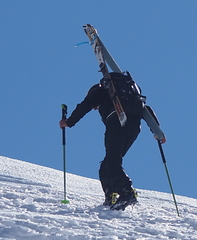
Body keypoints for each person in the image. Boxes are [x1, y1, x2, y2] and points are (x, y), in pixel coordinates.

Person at [59, 71, 165, 210]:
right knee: (108, 163)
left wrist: (68, 122)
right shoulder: (128, 96)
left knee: (112, 162)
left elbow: (84, 106)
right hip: (134, 127)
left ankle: (126, 191)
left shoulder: (99, 91)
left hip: (117, 123)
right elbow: (146, 109)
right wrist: (157, 132)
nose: (96, 108)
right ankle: (111, 195)